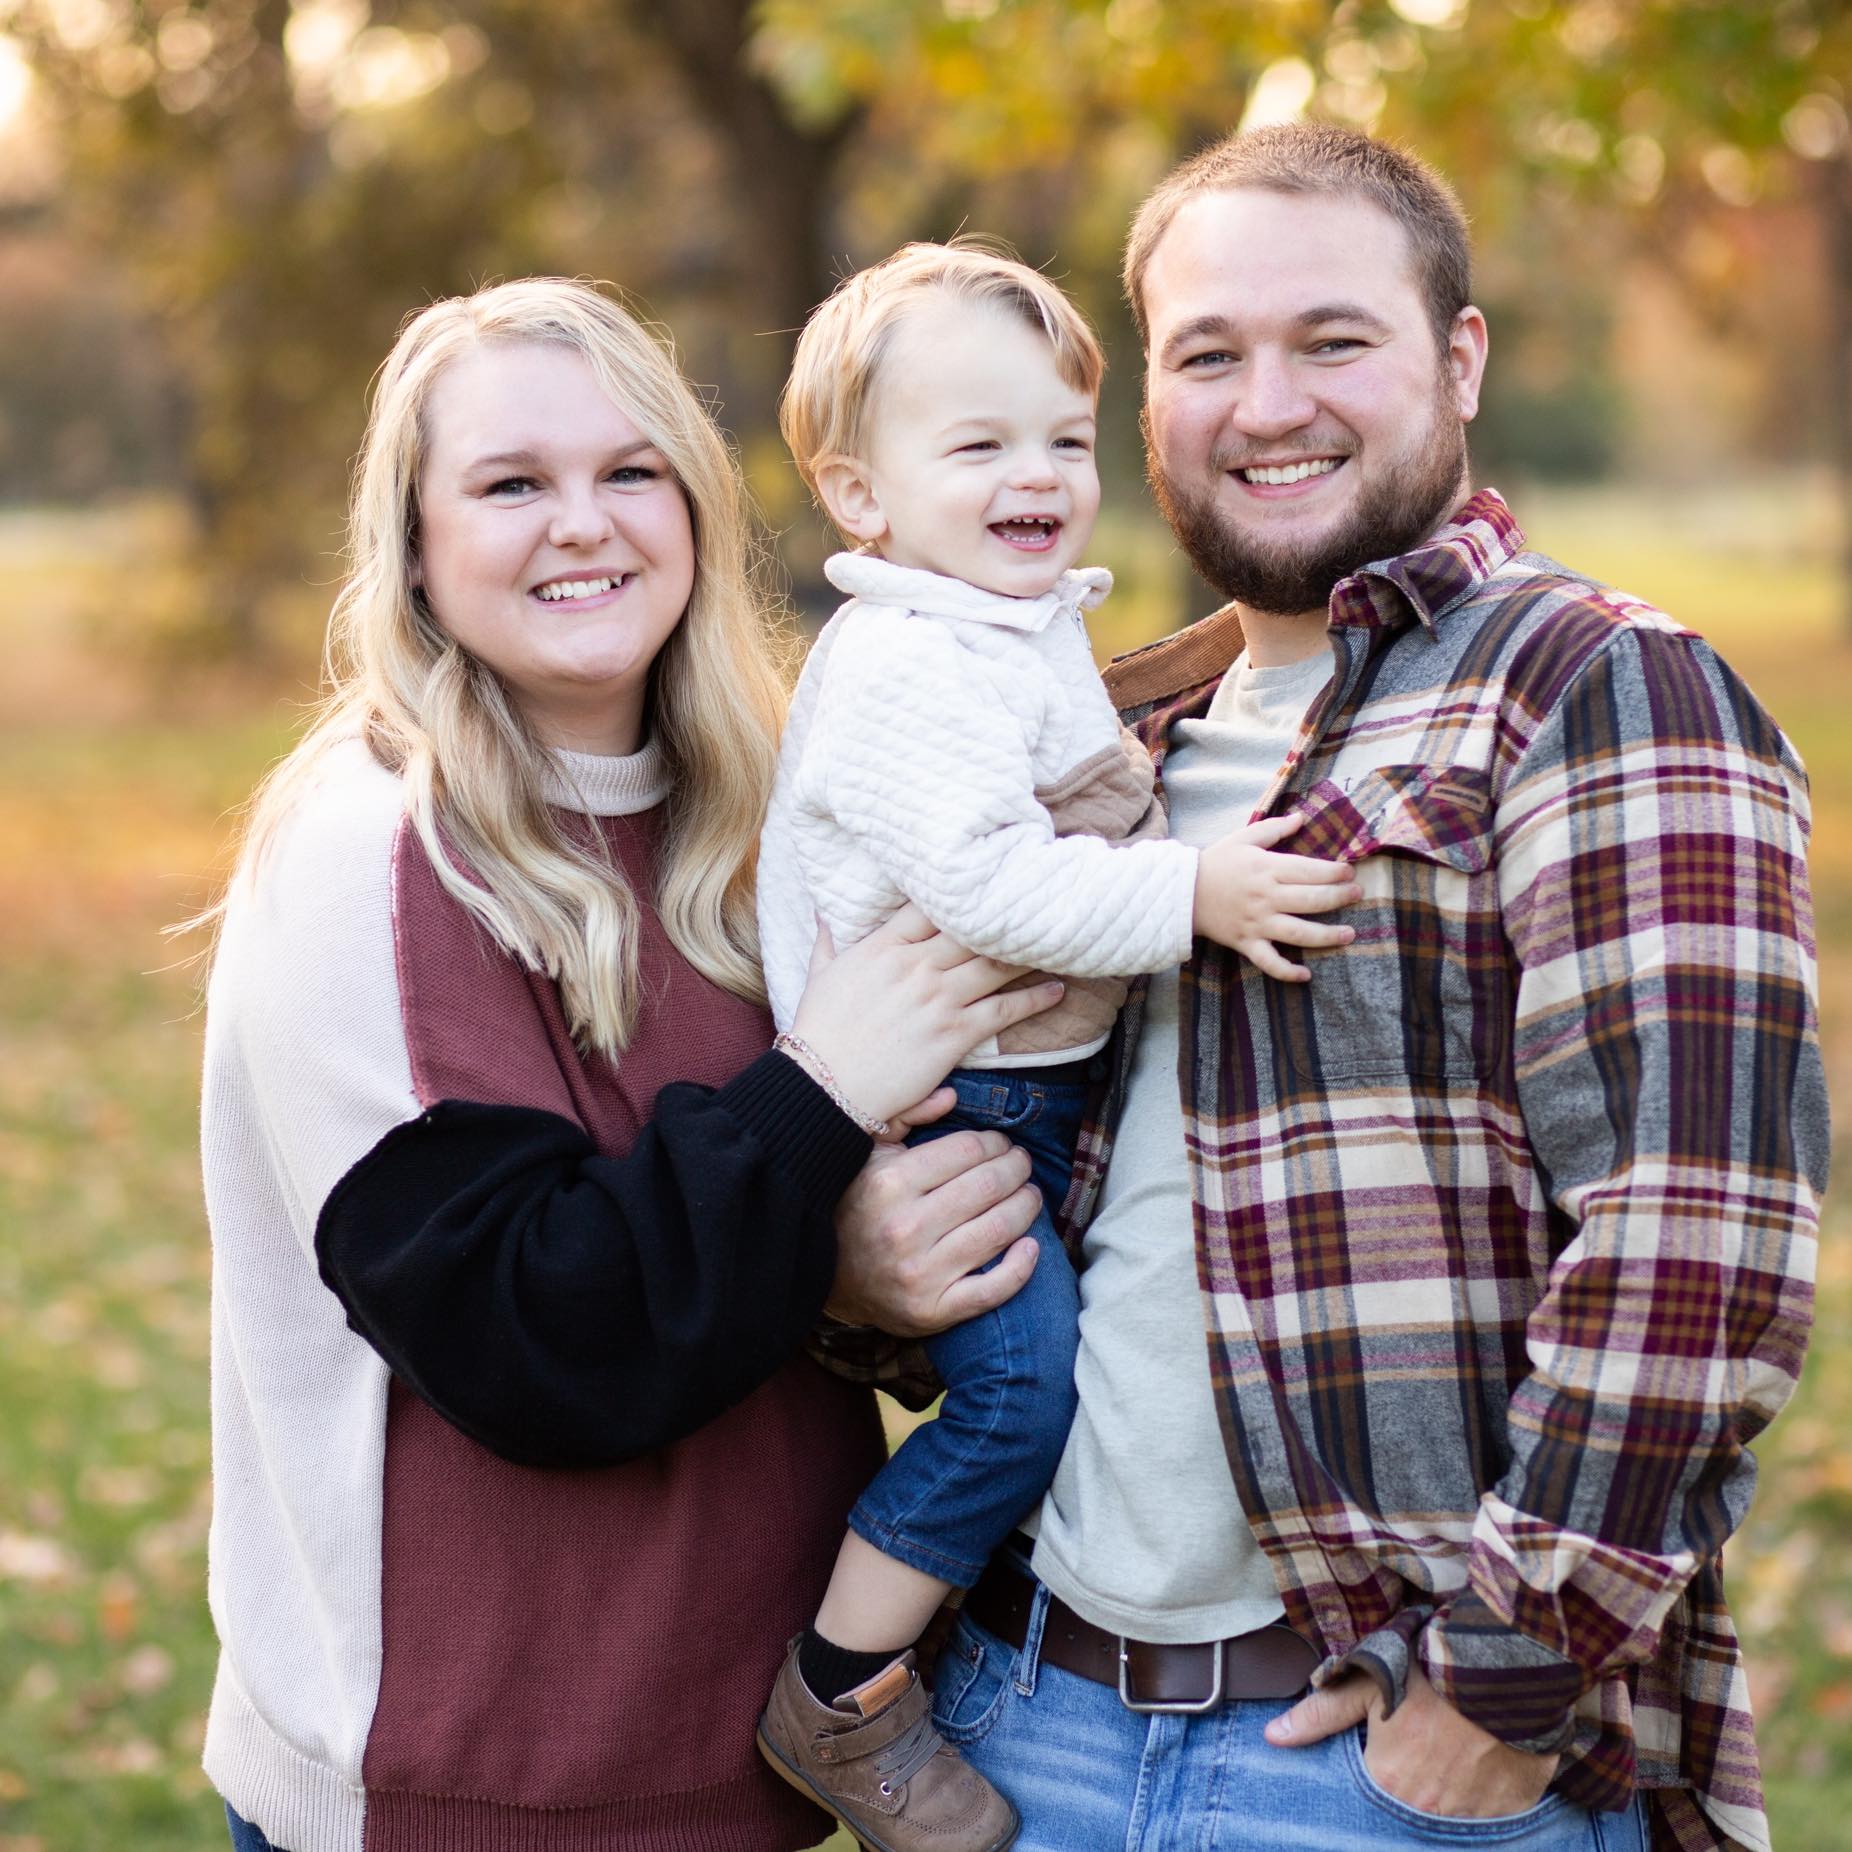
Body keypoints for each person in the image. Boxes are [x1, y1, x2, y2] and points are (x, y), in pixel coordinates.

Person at [874, 123, 1826, 1852]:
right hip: (1024, 1721)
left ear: (1460, 360)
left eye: (1333, 340)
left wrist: (1494, 1704)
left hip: (1376, 1778)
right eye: (1207, 356)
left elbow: (1697, 1242)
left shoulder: (1598, 688)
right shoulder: (1100, 743)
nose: (1268, 406)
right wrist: (862, 1269)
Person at [195, 276, 1064, 1852]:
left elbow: (835, 1237)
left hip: (745, 1771)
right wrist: (819, 1106)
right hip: (472, 1796)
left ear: (697, 509)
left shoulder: (766, 813)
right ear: (413, 541)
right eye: (511, 483)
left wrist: (863, 1278)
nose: (582, 524)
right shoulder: (370, 850)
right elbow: (526, 1330)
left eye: (629, 471)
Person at [751, 242, 1360, 1852]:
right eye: (978, 446)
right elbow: (991, 883)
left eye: (1064, 441)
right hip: (956, 1111)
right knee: (1016, 1404)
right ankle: (838, 1692)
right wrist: (1197, 891)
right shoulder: (906, 662)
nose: (1036, 477)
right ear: (859, 495)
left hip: (1021, 1087)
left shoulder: (999, 628)